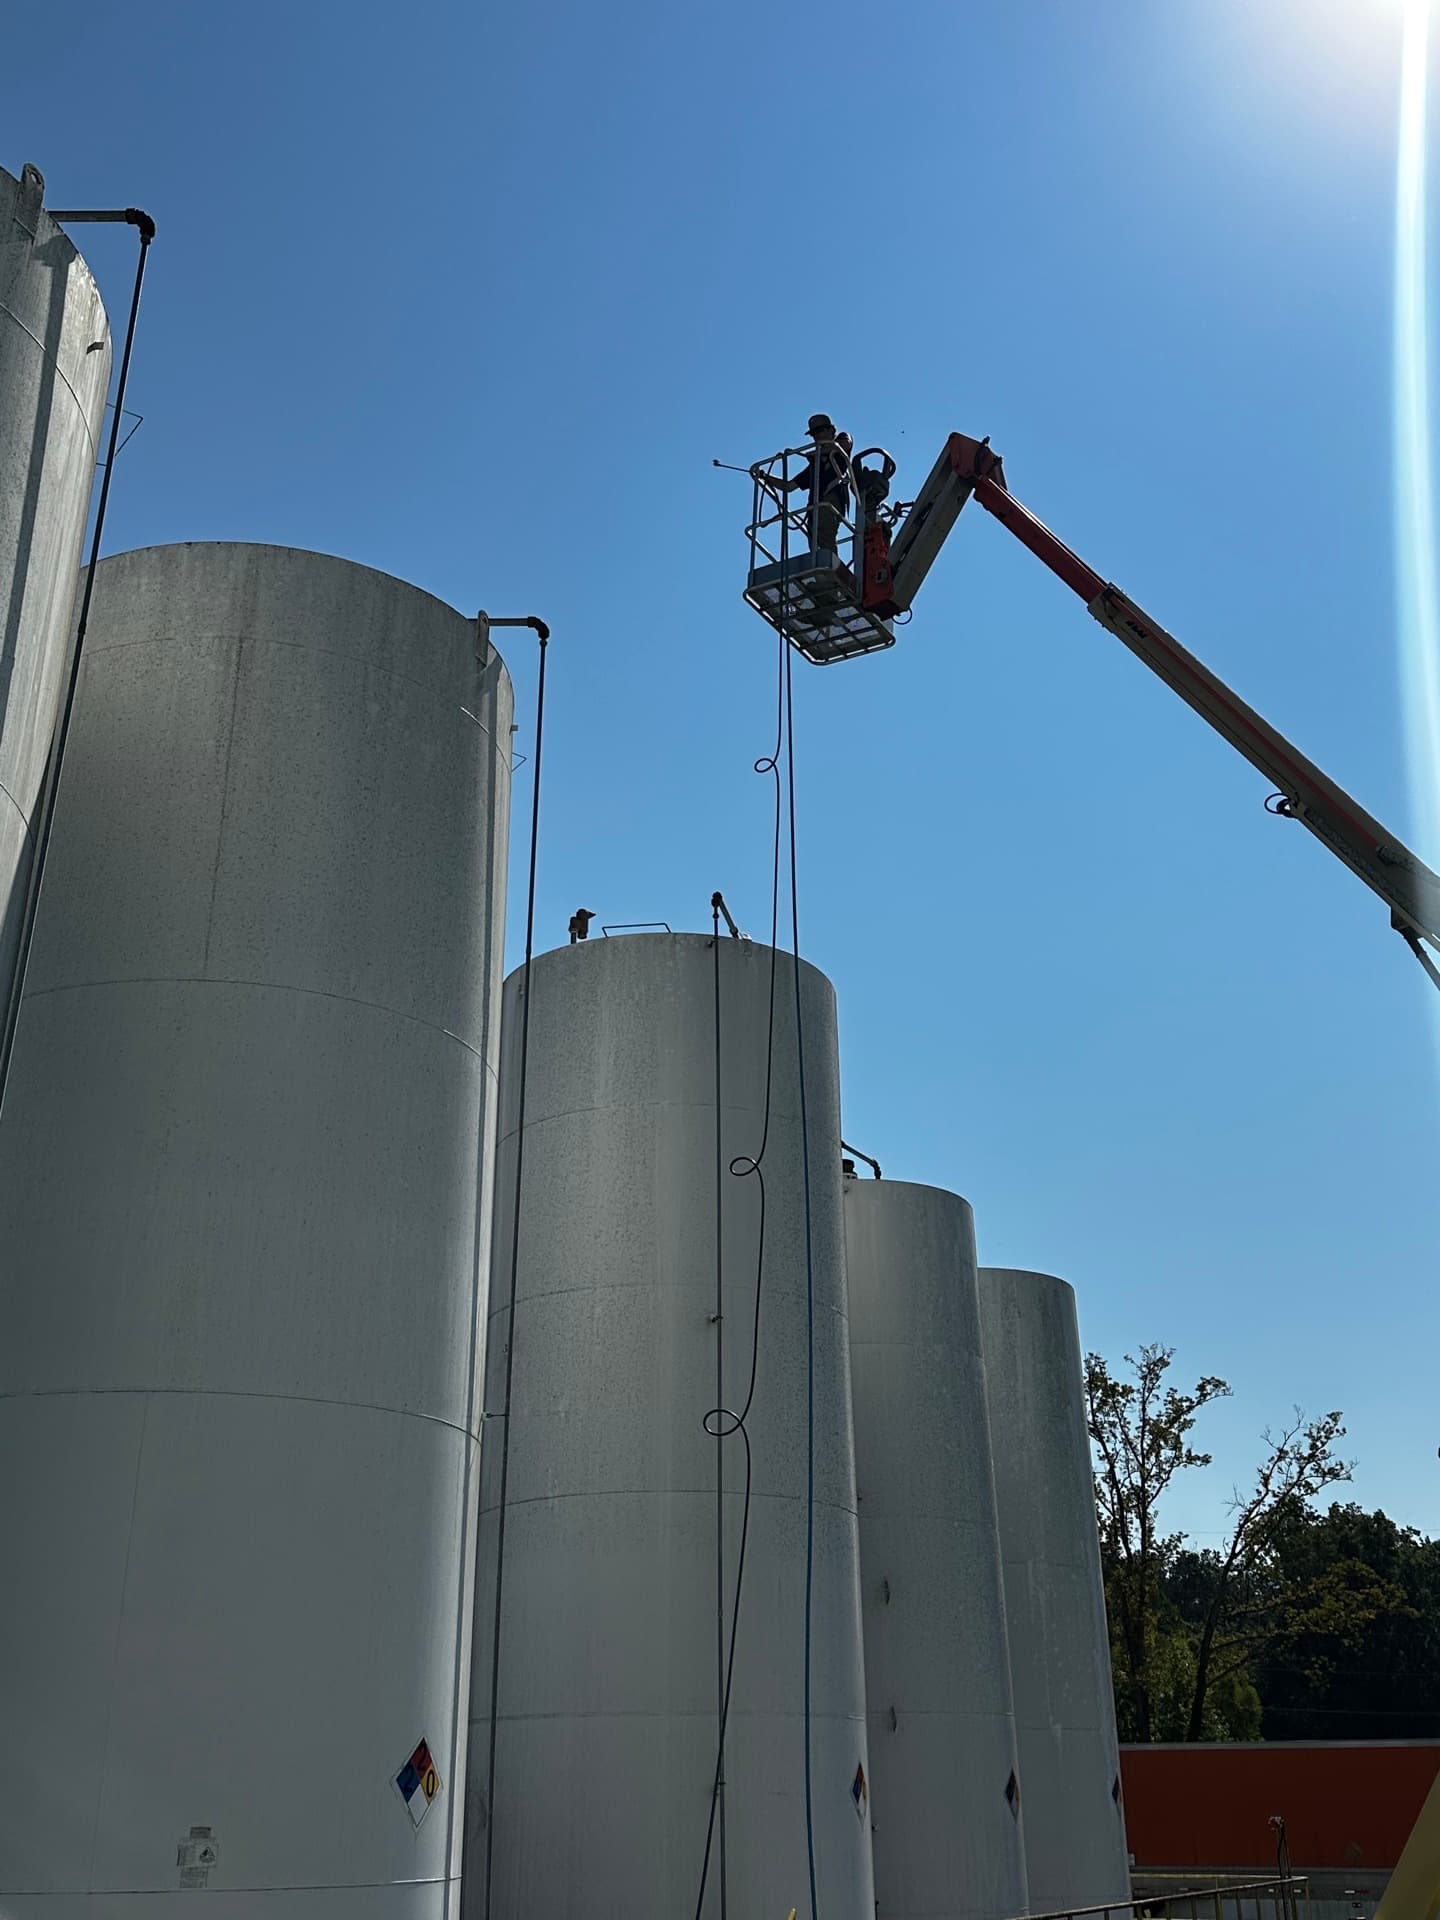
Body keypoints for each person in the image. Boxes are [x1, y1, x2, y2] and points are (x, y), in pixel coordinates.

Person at [776, 413, 852, 556]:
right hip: (814, 506)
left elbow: (844, 445)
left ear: (831, 430)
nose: (817, 436)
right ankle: (821, 570)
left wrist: (818, 452)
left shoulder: (841, 441)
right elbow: (789, 486)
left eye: (820, 431)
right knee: (814, 538)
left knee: (825, 531)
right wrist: (764, 477)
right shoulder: (814, 466)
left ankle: (829, 565)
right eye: (814, 434)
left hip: (832, 498)